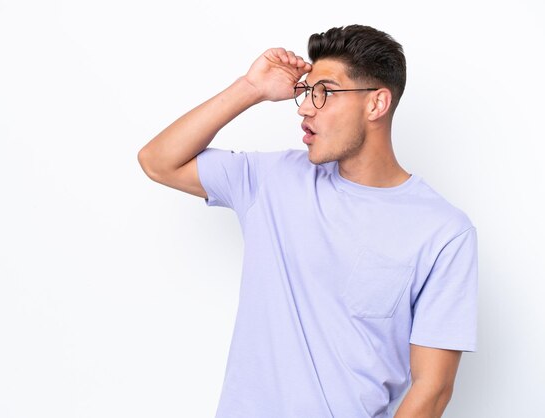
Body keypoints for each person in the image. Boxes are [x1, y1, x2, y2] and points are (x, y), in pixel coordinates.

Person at [137, 24, 478, 418]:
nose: (304, 108)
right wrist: (250, 87)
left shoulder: (444, 231)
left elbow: (432, 388)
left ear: (376, 104)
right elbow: (158, 161)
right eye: (305, 92)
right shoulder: (270, 180)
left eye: (325, 93)